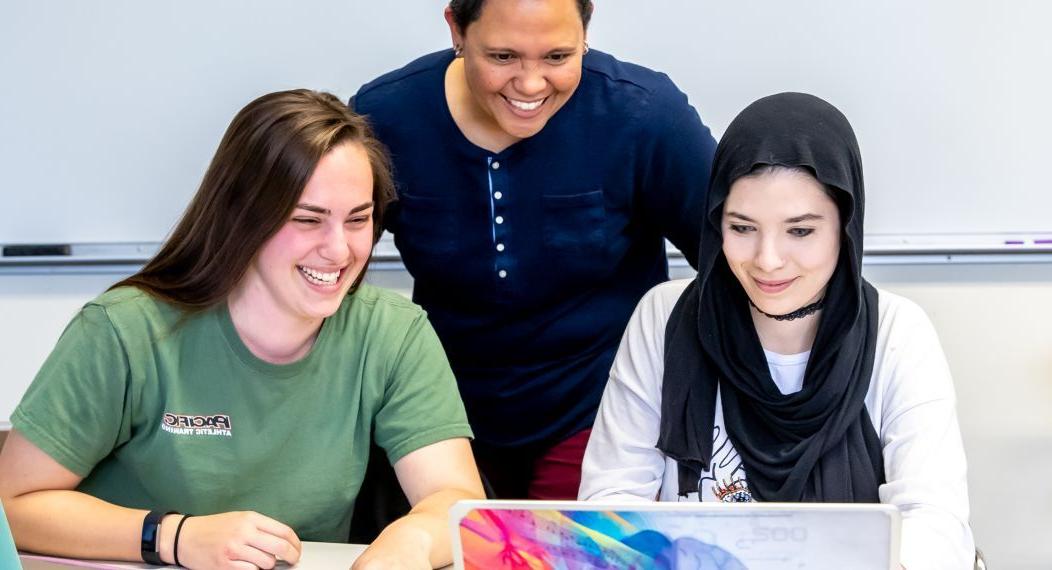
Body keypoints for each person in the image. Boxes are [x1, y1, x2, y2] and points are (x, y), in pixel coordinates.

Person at [0, 89, 484, 569]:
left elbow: (454, 499)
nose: (339, 251)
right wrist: (174, 537)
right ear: (242, 216)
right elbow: (12, 503)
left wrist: (410, 546)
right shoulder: (122, 331)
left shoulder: (393, 333)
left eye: (358, 220)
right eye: (307, 220)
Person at [579, 92, 975, 569]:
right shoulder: (665, 317)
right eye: (742, 227)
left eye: (801, 231)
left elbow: (933, 521)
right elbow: (612, 502)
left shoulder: (897, 333)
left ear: (845, 227)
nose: (767, 260)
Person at [351, 0, 717, 500]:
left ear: (586, 34)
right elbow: (331, 261)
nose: (530, 85)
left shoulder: (643, 114)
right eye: (502, 57)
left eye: (558, 57)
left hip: (600, 410)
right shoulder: (386, 116)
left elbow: (731, 260)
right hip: (438, 414)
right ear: (456, 30)